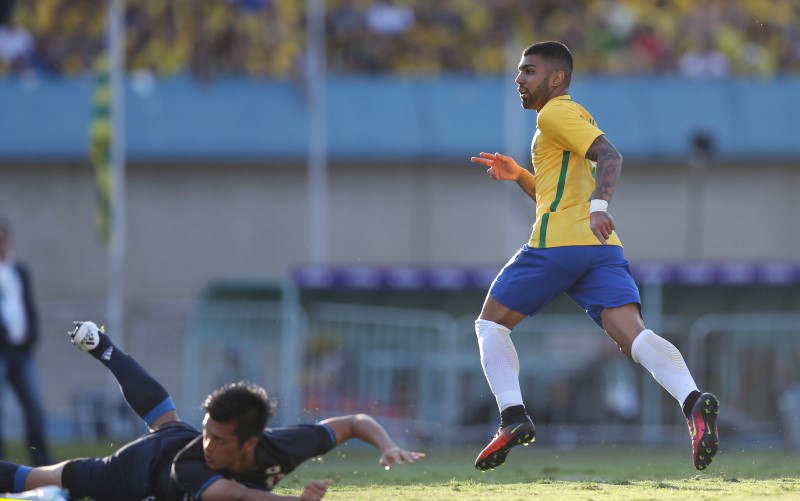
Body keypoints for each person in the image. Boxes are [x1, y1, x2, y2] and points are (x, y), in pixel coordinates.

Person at [469, 41, 719, 472]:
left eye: (529, 71)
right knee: (634, 336)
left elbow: (611, 156)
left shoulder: (554, 113)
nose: (519, 79)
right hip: (600, 249)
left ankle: (513, 418)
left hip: (559, 244)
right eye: (519, 71)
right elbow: (559, 194)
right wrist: (521, 177)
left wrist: (600, 206)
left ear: (556, 78)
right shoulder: (572, 116)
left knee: (490, 324)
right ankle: (694, 401)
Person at [0, 321, 425, 500]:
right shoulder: (194, 462)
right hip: (136, 470)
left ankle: (105, 348)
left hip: (172, 438)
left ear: (252, 443)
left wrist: (386, 445)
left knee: (167, 419)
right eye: (207, 432)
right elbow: (236, 495)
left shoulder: (280, 447)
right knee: (44, 478)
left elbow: (354, 422)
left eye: (218, 439)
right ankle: (106, 350)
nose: (208, 445)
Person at [0, 217, 54, 466]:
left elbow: (27, 306)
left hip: (22, 352)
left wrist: (32, 334)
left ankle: (40, 460)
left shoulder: (19, 271)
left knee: (34, 407)